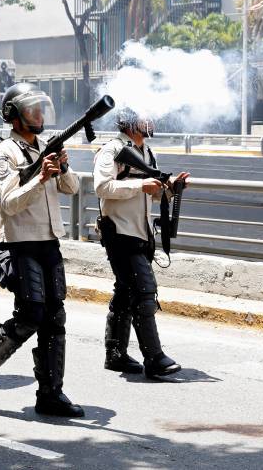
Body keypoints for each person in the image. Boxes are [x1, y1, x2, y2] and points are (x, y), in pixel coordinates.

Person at [0, 83, 84, 417]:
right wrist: (39, 178)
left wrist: (63, 166)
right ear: (14, 116)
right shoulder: (4, 155)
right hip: (16, 244)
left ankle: (50, 394)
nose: (40, 114)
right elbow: (11, 203)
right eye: (32, 109)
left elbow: (73, 189)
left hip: (48, 241)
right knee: (31, 314)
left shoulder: (46, 147)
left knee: (54, 317)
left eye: (40, 108)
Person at [94, 108, 189, 379]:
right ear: (129, 121)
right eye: (144, 116)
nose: (151, 121)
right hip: (119, 233)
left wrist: (172, 189)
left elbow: (153, 191)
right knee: (145, 292)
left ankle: (115, 354)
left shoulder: (147, 152)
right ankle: (154, 358)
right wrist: (140, 186)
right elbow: (102, 187)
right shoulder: (111, 150)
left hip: (141, 233)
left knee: (126, 292)